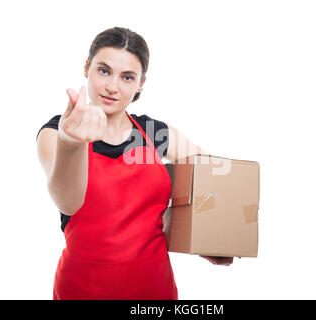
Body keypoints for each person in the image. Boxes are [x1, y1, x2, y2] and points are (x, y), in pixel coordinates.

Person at [36, 27, 234, 300]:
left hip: (154, 289)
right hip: (84, 289)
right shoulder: (57, 132)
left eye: (127, 77)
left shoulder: (155, 134)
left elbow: (217, 176)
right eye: (103, 71)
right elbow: (67, 201)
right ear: (87, 69)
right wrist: (72, 142)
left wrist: (205, 236)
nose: (112, 86)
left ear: (141, 83)